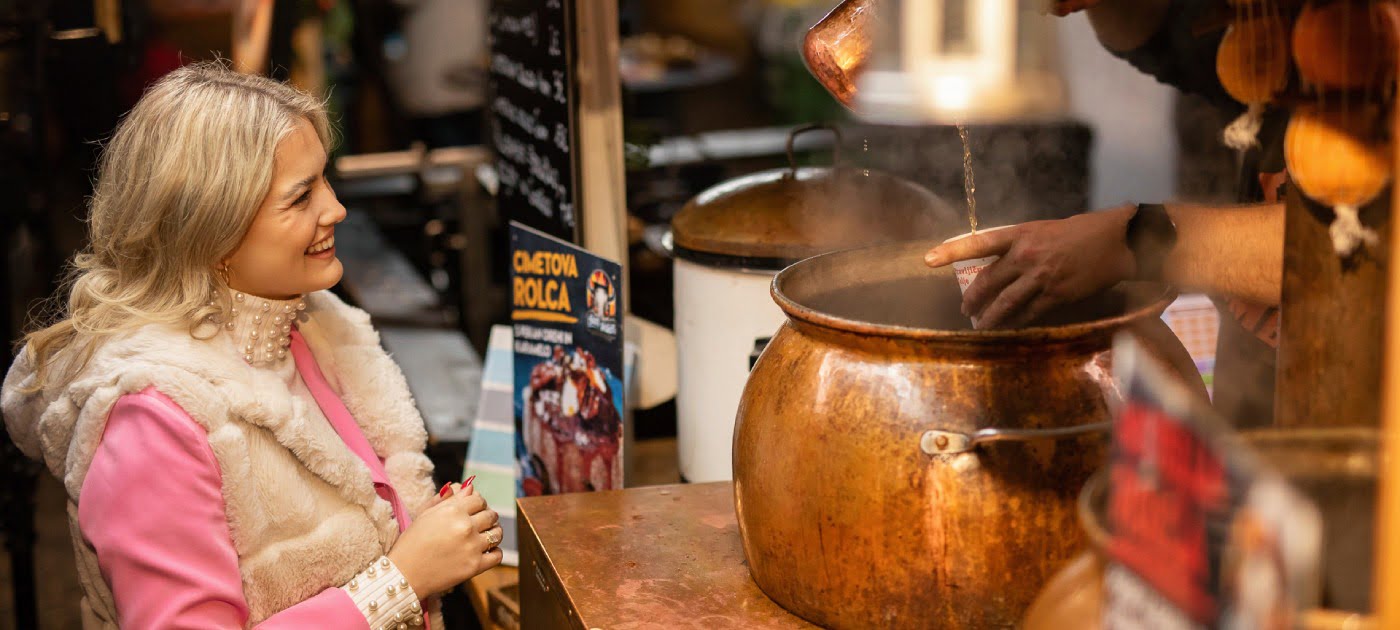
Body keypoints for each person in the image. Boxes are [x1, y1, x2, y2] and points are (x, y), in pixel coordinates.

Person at [1, 62, 501, 628]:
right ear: (214, 232)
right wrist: (400, 581)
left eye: (325, 180)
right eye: (301, 197)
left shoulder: (313, 328)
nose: (335, 209)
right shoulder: (152, 416)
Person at [924, 0, 1285, 426]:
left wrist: (1134, 239)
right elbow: (1191, 45)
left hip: (1358, 410)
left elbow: (1365, 258)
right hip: (1259, 388)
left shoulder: (1366, 37)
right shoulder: (1269, 32)